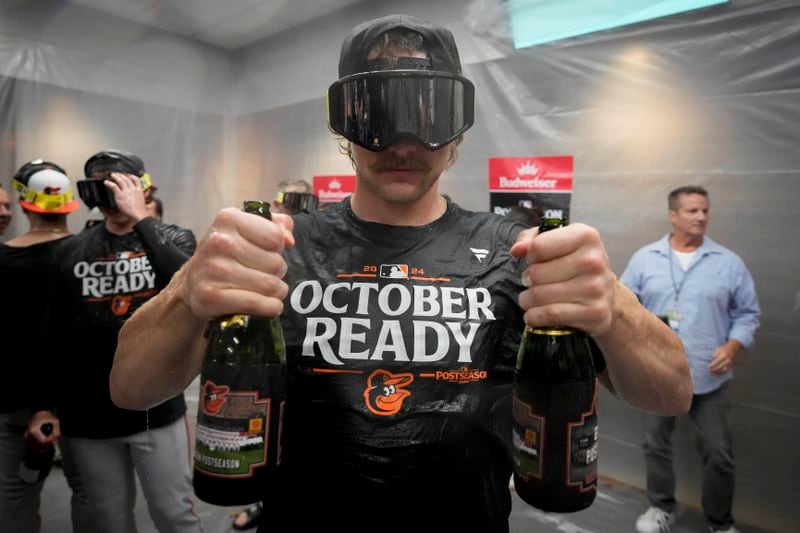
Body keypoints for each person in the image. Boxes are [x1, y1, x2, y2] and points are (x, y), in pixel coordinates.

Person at [110, 15, 691, 533]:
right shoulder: (281, 248)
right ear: (344, 128)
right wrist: (188, 290)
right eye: (377, 116)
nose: (402, 143)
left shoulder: (514, 253)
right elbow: (131, 389)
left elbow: (669, 394)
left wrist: (613, 305)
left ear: (458, 129)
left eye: (428, 116)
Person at [37, 149, 202, 533]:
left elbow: (188, 286)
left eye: (118, 186)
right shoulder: (69, 250)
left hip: (155, 409)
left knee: (173, 513)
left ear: (142, 189)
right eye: (102, 188)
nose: (110, 199)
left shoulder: (172, 237)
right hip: (87, 415)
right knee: (109, 522)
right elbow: (51, 331)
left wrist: (141, 218)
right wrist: (44, 406)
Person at [620, 185, 760, 533]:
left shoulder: (728, 262)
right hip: (657, 376)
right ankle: (661, 508)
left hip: (708, 378)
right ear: (673, 215)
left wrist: (733, 346)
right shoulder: (644, 259)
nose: (700, 217)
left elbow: (747, 313)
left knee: (719, 454)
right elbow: (623, 307)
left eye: (705, 211)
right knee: (655, 445)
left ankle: (719, 522)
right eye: (692, 211)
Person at [0, 159, 95, 532]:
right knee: (87, 490)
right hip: (81, 399)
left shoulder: (3, 261)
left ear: (25, 203)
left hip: (16, 399)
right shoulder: (89, 256)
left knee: (16, 494)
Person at [230, 179, 318, 531]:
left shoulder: (317, 241)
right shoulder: (261, 239)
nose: (297, 206)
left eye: (304, 199)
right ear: (277, 202)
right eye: (291, 200)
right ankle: (259, 500)